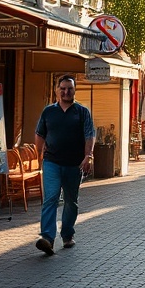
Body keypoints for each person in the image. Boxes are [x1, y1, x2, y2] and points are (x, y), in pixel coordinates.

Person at [33, 75, 95, 255]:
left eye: (69, 88)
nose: (66, 92)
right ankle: (47, 238)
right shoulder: (48, 112)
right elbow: (39, 133)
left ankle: (67, 234)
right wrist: (39, 153)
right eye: (63, 88)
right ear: (57, 90)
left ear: (74, 90)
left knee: (71, 201)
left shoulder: (82, 112)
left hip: (74, 165)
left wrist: (88, 156)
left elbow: (89, 134)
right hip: (52, 162)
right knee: (50, 198)